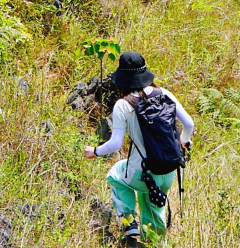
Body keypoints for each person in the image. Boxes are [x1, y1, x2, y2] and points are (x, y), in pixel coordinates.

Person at [83, 50, 194, 242]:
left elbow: (116, 144)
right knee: (153, 212)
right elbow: (189, 124)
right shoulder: (164, 94)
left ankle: (129, 224)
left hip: (140, 174)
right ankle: (155, 242)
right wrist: (183, 141)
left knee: (116, 174)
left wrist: (95, 151)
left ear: (122, 78)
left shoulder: (122, 105)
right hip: (168, 171)